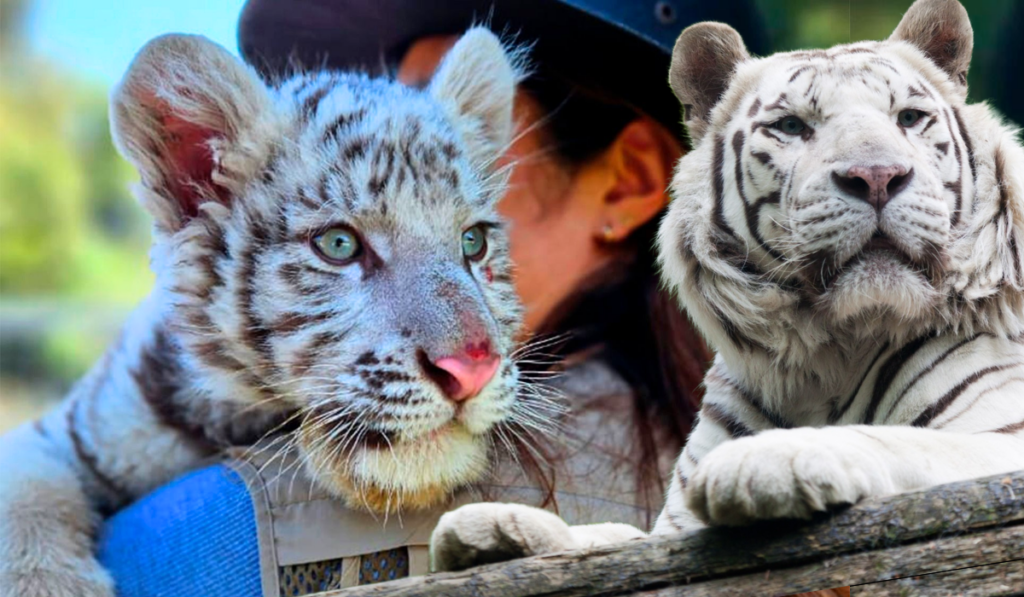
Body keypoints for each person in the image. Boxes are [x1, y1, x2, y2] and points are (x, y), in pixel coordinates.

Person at [94, 1, 768, 595]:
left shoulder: (230, 535)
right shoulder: (735, 425)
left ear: (628, 182)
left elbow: (166, 565)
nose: (412, 129)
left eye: (467, 121)